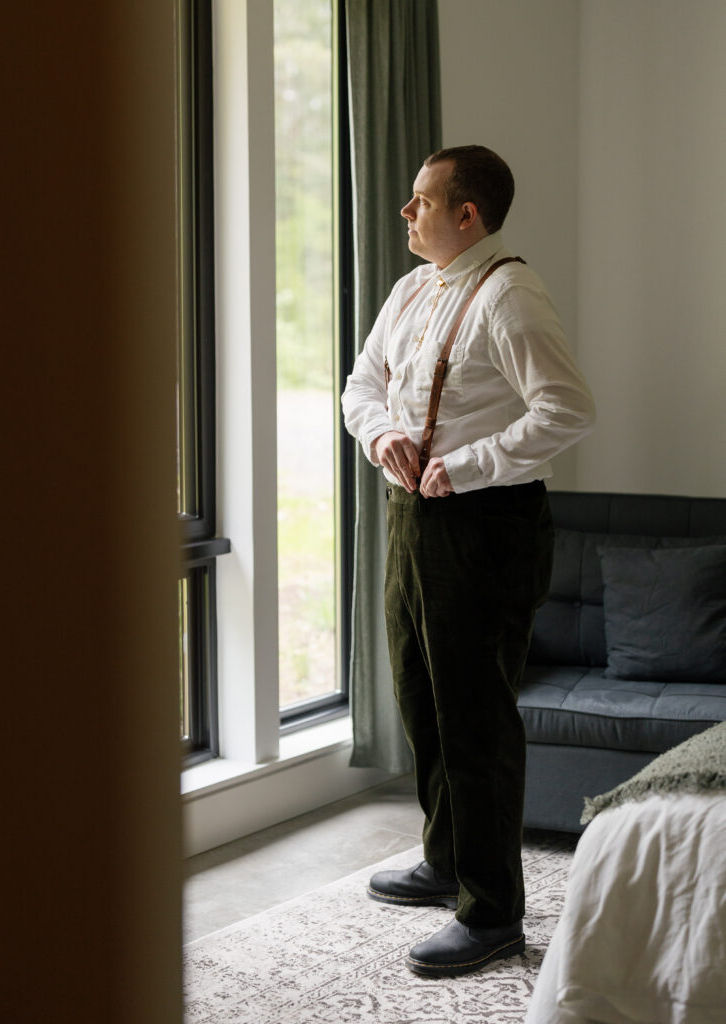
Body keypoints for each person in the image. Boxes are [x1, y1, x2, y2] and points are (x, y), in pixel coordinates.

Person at [341, 145, 595, 978]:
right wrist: (381, 435)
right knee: (419, 695)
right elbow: (361, 383)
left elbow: (567, 408)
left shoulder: (511, 293)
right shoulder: (411, 288)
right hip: (408, 515)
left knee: (475, 720)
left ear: (466, 215)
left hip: (487, 525)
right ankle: (445, 859)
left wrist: (471, 463)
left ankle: (492, 915)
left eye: (420, 201)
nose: (406, 214)